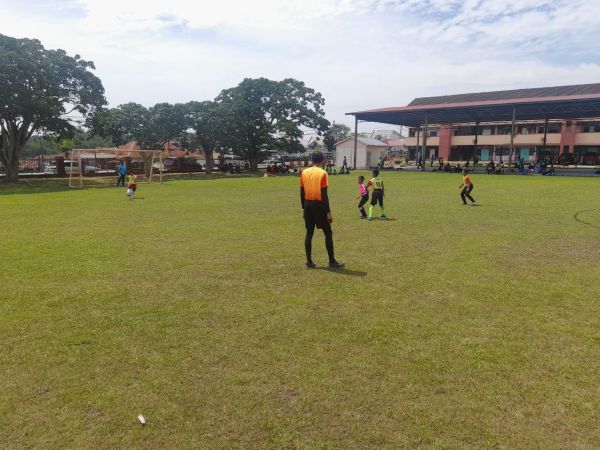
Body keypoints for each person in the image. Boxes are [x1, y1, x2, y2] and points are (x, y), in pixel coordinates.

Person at [300, 152, 344, 270]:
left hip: (307, 205)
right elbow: (324, 195)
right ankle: (332, 261)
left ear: (311, 159)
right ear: (322, 160)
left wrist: (303, 208)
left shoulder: (304, 172)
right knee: (328, 233)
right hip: (319, 205)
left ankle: (309, 261)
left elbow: (302, 192)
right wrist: (328, 212)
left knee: (309, 233)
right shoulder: (323, 173)